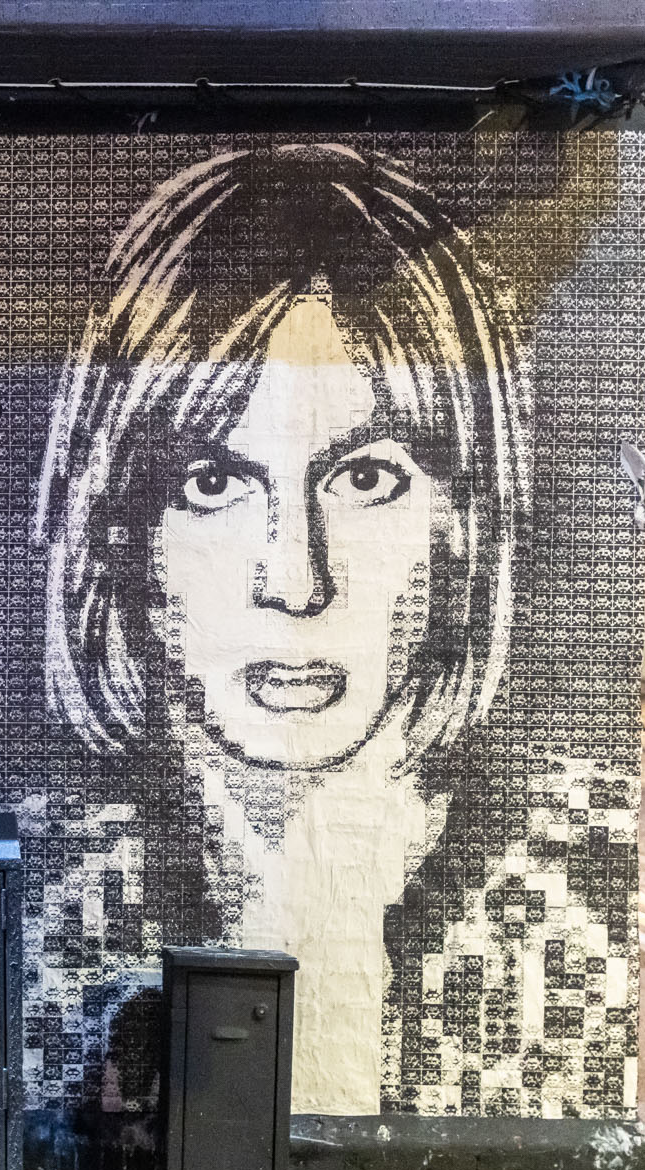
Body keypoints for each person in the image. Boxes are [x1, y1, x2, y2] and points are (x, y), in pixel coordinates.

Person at [34, 143, 529, 1116]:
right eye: (213, 482)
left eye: (365, 478)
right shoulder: (46, 891)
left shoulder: (563, 883)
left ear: (461, 523)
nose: (296, 582)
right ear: (123, 531)